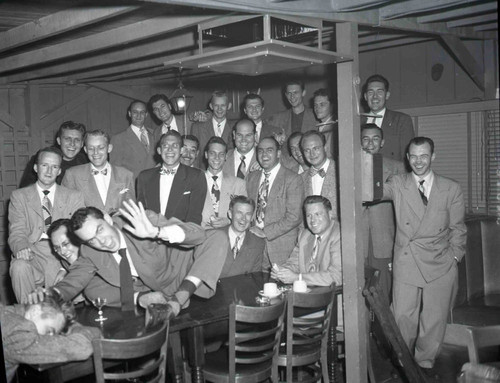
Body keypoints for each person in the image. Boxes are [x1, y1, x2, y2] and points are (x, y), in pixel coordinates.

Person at [29, 200, 228, 320]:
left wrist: (156, 232)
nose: (102, 241)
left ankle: (178, 300)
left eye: (100, 230)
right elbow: (75, 279)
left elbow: (198, 234)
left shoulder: (139, 220)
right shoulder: (90, 250)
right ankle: (145, 300)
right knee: (91, 288)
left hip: (181, 274)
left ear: (107, 219)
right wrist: (52, 293)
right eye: (91, 240)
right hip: (149, 291)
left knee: (217, 236)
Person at [383, 136, 466, 374]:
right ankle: (403, 361)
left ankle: (425, 364)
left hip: (441, 261)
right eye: (414, 156)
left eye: (424, 156)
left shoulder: (451, 188)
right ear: (407, 159)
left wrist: (454, 258)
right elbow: (370, 191)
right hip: (407, 259)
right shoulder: (397, 183)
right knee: (401, 317)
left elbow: (458, 229)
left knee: (434, 319)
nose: (419, 161)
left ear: (433, 157)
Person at [9, 147, 84, 303]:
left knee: (55, 304)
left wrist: (65, 267)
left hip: (60, 254)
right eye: (44, 165)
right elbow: (17, 231)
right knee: (19, 266)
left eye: (54, 166)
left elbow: (78, 235)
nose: (49, 171)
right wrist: (21, 248)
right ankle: (28, 317)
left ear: (59, 171)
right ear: (36, 168)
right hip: (31, 251)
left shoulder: (74, 197)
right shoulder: (19, 196)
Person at [1, 294, 100, 382]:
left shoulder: (9, 313)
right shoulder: (19, 329)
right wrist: (78, 328)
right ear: (35, 311)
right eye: (49, 331)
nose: (50, 338)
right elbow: (82, 348)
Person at [360, 124, 406, 300]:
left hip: (385, 238)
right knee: (361, 290)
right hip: (360, 239)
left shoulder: (398, 168)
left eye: (375, 138)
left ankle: (382, 327)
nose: (370, 143)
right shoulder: (350, 167)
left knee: (384, 290)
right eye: (365, 138)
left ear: (383, 142)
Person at [246, 137, 304, 266]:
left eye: (269, 150)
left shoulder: (292, 179)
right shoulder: (251, 178)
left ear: (278, 153)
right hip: (254, 246)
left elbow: (294, 217)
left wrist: (265, 232)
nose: (264, 154)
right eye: (260, 151)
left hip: (282, 247)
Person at [136, 130, 207, 225]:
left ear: (181, 150)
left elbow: (194, 219)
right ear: (159, 151)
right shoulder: (144, 177)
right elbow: (142, 213)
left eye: (175, 146)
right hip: (150, 235)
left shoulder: (196, 177)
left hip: (180, 237)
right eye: (165, 146)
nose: (170, 150)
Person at [272, 195, 341, 287]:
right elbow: (294, 263)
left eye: (318, 214)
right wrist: (282, 272)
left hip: (332, 295)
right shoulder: (305, 235)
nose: (313, 220)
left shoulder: (340, 235)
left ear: (330, 214)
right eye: (309, 215)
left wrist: (298, 278)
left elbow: (336, 276)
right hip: (307, 292)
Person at [62, 129, 135, 216]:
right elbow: (66, 209)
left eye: (101, 148)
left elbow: (131, 209)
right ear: (85, 150)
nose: (95, 152)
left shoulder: (126, 175)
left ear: (109, 148)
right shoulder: (72, 175)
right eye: (91, 148)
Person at [362, 74, 414, 162]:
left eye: (379, 92)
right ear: (365, 96)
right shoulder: (356, 122)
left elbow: (408, 158)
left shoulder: (402, 121)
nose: (375, 97)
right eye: (371, 92)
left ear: (387, 95)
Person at [19, 121, 88, 188]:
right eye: (67, 139)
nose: (72, 143)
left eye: (77, 140)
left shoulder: (86, 161)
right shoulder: (43, 157)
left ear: (82, 144)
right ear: (59, 141)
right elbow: (26, 189)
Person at [202, 136, 247, 229]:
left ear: (226, 156)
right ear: (206, 155)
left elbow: (245, 215)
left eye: (221, 154)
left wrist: (229, 220)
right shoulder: (194, 180)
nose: (216, 158)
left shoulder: (239, 184)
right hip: (201, 237)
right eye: (212, 153)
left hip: (227, 238)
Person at [219, 195, 265, 278]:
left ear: (251, 218)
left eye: (248, 214)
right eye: (239, 213)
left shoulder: (257, 243)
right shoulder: (213, 237)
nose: (243, 219)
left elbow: (255, 279)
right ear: (230, 214)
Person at [110, 100, 156, 179]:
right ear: (129, 114)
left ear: (146, 114)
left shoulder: (155, 134)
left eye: (142, 112)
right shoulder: (118, 139)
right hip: (132, 186)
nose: (139, 115)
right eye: (135, 112)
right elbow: (115, 170)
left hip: (154, 184)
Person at [190, 91, 235, 168]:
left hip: (228, 175)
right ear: (211, 106)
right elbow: (194, 156)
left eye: (223, 105)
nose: (219, 109)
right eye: (216, 105)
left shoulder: (235, 128)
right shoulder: (197, 127)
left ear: (229, 106)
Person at [300, 130, 338, 219]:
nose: (312, 154)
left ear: (325, 148)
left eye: (316, 148)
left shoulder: (341, 171)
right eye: (307, 150)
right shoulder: (301, 178)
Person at [313, 88, 337, 160]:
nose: (317, 108)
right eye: (315, 105)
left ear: (332, 106)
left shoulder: (334, 129)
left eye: (322, 104)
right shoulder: (320, 127)